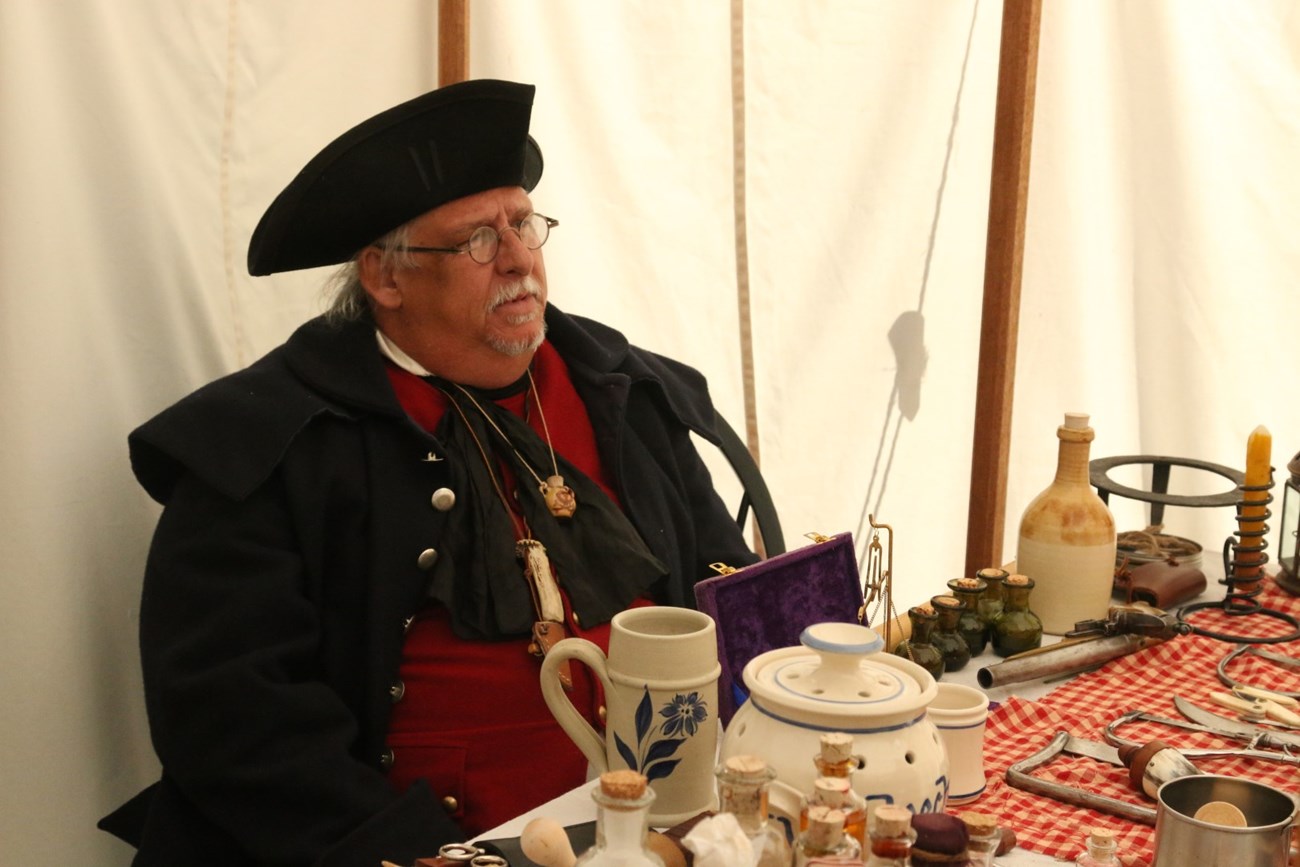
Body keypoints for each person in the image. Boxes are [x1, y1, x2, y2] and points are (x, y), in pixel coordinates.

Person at [98, 79, 759, 866]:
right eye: (478, 239)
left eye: (524, 224)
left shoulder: (623, 391)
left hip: (654, 834)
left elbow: (727, 589)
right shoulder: (268, 444)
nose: (518, 258)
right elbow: (232, 717)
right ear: (385, 278)